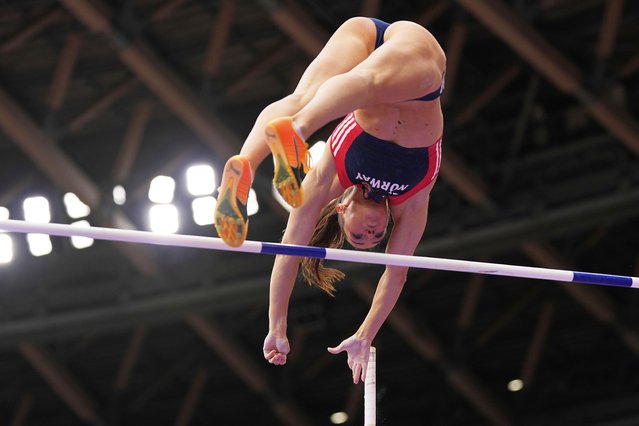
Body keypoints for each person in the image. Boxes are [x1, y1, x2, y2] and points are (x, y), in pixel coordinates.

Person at [213, 17, 446, 384]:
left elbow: (290, 248)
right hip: (414, 63)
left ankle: (257, 154)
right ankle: (281, 140)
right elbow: (395, 274)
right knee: (357, 89)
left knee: (319, 97)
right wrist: (365, 334)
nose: (371, 236)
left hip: (367, 65)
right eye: (375, 239)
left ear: (341, 209)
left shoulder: (332, 177)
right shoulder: (412, 200)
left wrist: (277, 326)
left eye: (358, 238)